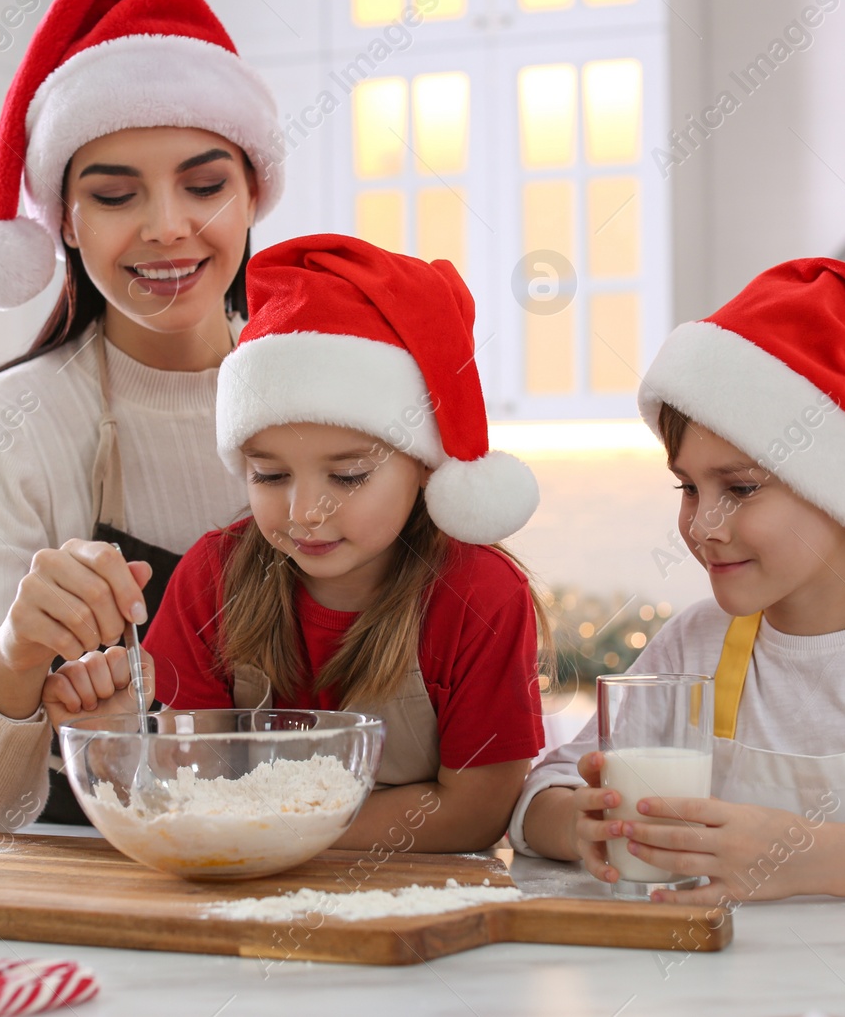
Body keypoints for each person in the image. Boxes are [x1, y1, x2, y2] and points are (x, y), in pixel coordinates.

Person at [513, 258, 845, 900]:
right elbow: (543, 792)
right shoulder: (695, 646)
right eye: (688, 487)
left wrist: (798, 859)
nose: (702, 524)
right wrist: (581, 823)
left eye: (739, 488)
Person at [0, 0, 287, 830]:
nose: (168, 224)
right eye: (116, 194)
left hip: (315, 887)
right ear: (66, 222)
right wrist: (15, 655)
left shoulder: (323, 403)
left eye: (204, 185)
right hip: (89, 912)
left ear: (251, 197)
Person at [42, 234, 551, 852]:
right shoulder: (214, 578)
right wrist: (121, 736)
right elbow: (189, 782)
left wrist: (276, 832)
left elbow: (474, 811)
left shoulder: (480, 597)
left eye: (348, 476)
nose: (306, 512)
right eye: (270, 475)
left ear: (423, 463)